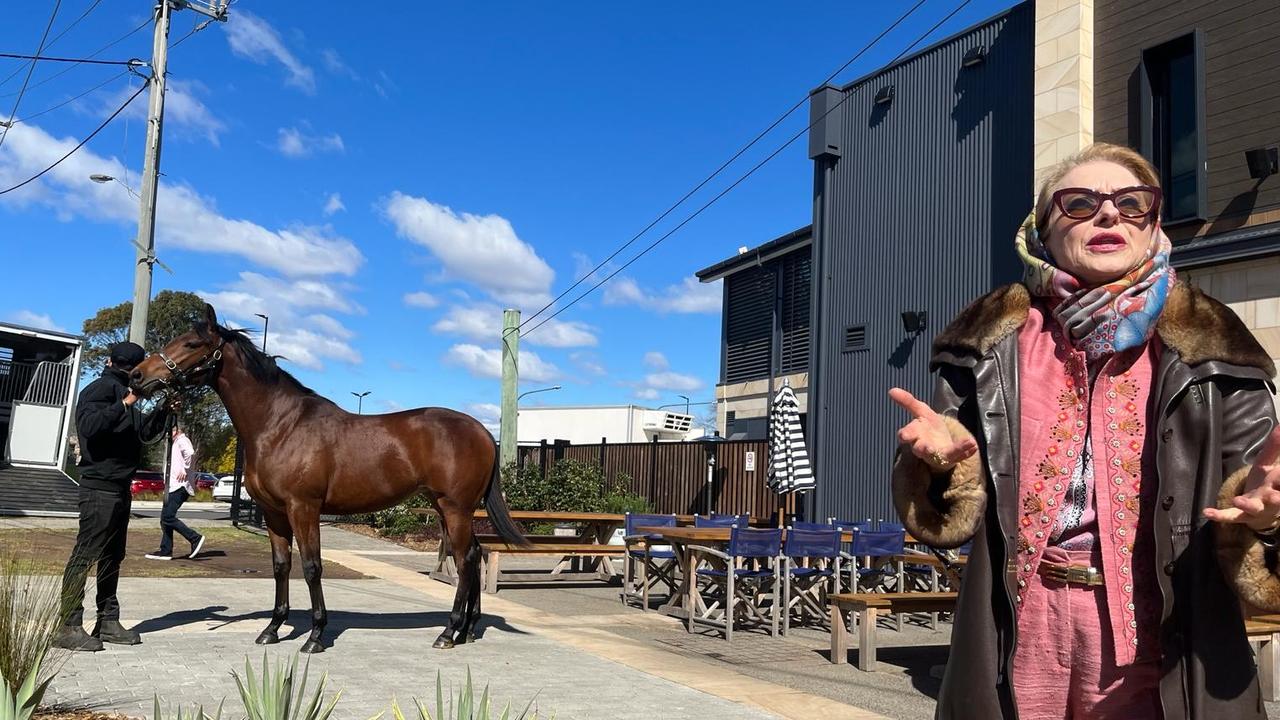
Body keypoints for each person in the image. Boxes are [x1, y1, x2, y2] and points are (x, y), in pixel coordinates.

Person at [889, 142, 1280, 719]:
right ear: (1044, 233)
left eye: (1131, 202)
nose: (1108, 214)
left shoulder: (1216, 346)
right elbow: (948, 516)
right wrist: (939, 468)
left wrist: (1267, 515)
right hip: (1019, 619)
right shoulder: (990, 342)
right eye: (1079, 202)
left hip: (1166, 625)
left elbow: (1257, 488)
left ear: (1152, 227)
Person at [54, 342, 174, 652]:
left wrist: (162, 411)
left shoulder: (126, 392)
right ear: (132, 366)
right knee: (85, 555)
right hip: (98, 486)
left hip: (121, 486)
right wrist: (126, 402)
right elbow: (91, 427)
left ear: (111, 360)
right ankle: (68, 625)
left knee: (112, 556)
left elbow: (144, 434)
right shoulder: (101, 389)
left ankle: (107, 621)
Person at [145, 424, 205, 561]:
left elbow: (190, 453)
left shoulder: (182, 440)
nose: (167, 434)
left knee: (167, 517)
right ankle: (166, 550)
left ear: (176, 430)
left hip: (180, 487)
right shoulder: (175, 443)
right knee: (164, 519)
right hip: (173, 487)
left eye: (169, 431)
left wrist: (185, 469)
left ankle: (195, 538)